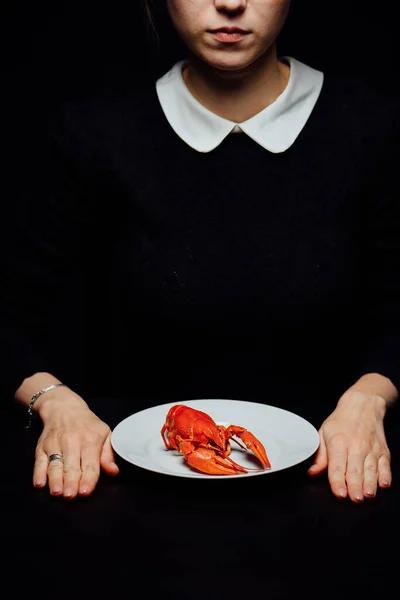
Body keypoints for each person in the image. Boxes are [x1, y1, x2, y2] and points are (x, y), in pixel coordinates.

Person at [0, 0, 399, 503]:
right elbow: (9, 316)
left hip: (336, 485)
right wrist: (56, 403)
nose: (230, 3)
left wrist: (370, 398)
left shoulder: (374, 128)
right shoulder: (92, 132)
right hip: (117, 491)